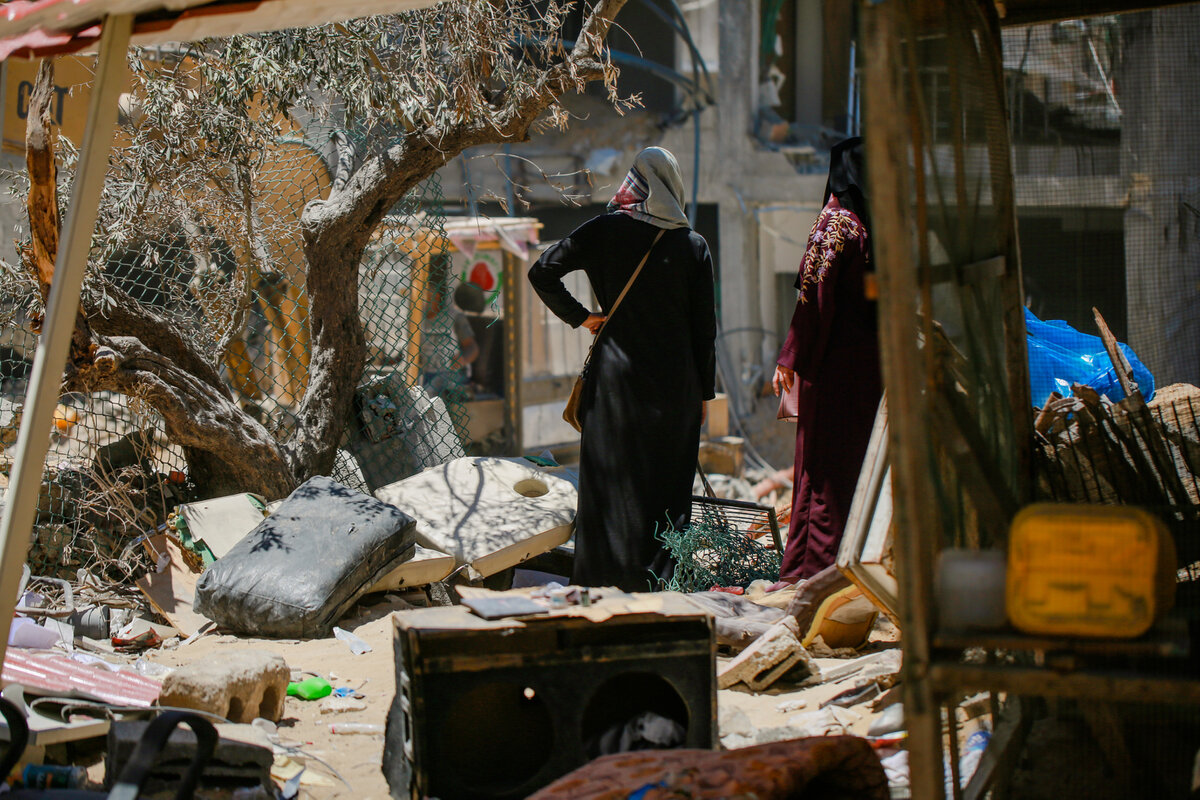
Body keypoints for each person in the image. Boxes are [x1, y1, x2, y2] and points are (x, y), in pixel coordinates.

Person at [528, 146, 717, 591]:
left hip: (613, 385)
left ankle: (601, 584)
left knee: (611, 486)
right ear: (673, 186)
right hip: (674, 389)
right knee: (666, 488)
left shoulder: (603, 230)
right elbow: (703, 331)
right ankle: (660, 584)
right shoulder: (692, 247)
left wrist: (584, 317)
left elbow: (542, 271)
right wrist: (704, 393)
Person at [772, 136, 882, 581]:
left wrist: (790, 357)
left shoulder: (834, 222)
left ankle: (814, 572)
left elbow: (814, 298)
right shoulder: (870, 226)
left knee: (821, 471)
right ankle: (828, 567)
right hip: (868, 371)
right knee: (847, 466)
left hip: (833, 370)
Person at [419, 255, 479, 398]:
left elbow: (472, 348)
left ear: (437, 298)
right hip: (427, 372)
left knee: (429, 391)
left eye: (426, 298)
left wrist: (462, 360)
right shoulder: (417, 319)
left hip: (453, 374)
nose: (423, 302)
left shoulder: (454, 317)